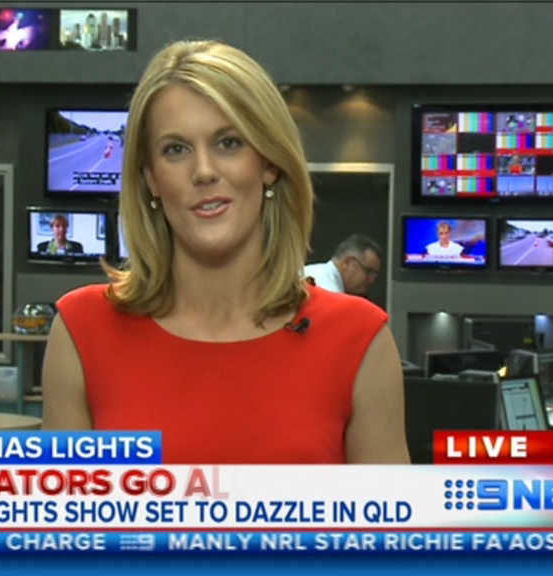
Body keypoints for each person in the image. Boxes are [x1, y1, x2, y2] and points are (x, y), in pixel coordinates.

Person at [42, 39, 409, 465]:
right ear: (151, 178)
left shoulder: (359, 340)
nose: (203, 171)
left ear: (269, 163)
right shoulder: (82, 332)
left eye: (228, 143)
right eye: (176, 149)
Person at [301, 234, 382, 297]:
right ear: (347, 262)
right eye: (369, 271)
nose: (372, 280)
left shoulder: (309, 270)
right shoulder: (330, 292)